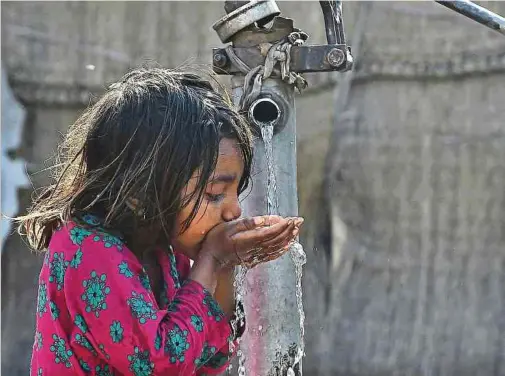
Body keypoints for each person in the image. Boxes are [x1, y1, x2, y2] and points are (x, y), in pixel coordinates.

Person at [17, 67, 303, 376]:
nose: (234, 211)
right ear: (141, 193)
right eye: (215, 193)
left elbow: (210, 359)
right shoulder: (86, 249)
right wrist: (212, 259)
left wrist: (225, 263)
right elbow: (158, 365)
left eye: (235, 193)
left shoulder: (165, 249)